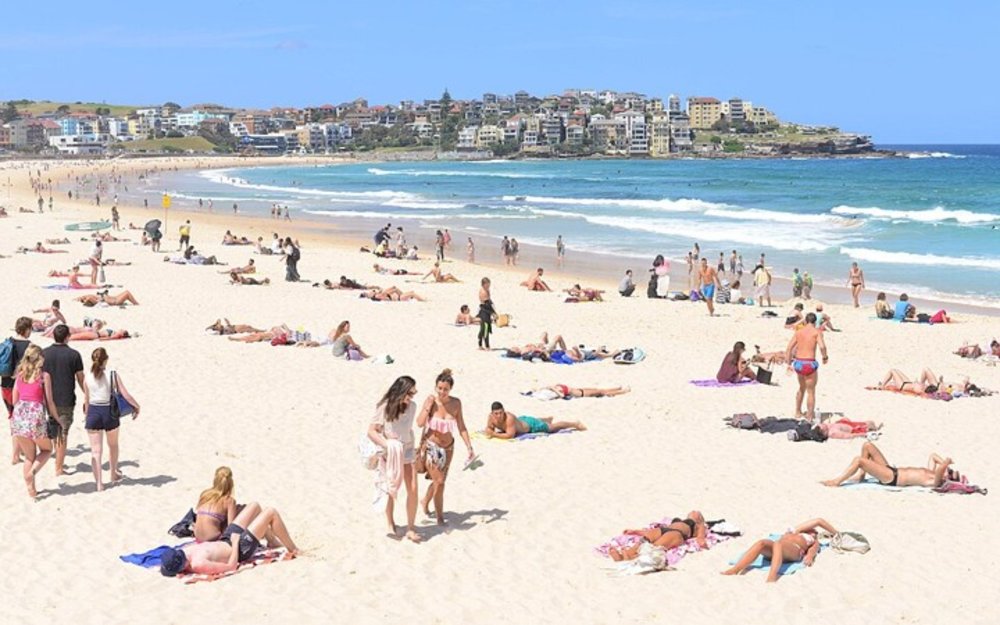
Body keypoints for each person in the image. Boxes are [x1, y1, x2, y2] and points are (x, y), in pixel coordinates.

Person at [159, 502, 299, 576]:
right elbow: (231, 567)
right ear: (182, 566)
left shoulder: (185, 552)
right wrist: (236, 541)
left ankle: (272, 541)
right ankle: (293, 549)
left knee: (254, 506)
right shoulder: (198, 564)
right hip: (239, 548)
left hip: (226, 539)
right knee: (271, 512)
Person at [416, 369, 474, 526]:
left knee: (438, 481)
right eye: (439, 388)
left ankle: (425, 501)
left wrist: (469, 446)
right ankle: (440, 517)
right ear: (436, 387)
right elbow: (420, 423)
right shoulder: (430, 401)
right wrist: (427, 407)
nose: (442, 392)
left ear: (450, 389)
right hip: (431, 447)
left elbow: (461, 425)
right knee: (440, 481)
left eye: (445, 389)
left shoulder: (456, 403)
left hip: (449, 448)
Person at [368, 376, 422, 542]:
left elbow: (409, 429)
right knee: (391, 487)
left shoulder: (412, 407)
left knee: (413, 488)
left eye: (414, 393)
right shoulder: (384, 407)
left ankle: (411, 528)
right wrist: (388, 444)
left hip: (407, 449)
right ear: (401, 391)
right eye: (410, 392)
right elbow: (371, 431)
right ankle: (391, 523)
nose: (412, 396)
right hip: (390, 452)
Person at [83, 347, 139, 490]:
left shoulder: (87, 376)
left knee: (96, 451)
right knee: (113, 445)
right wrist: (136, 406)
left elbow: (87, 399)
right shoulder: (112, 374)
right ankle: (113, 473)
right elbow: (125, 394)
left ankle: (99, 483)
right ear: (106, 359)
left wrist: (87, 415)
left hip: (94, 412)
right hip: (109, 412)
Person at [11, 345, 59, 498]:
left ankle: (31, 490)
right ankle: (32, 473)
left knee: (29, 456)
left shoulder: (20, 375)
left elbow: (14, 400)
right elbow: (50, 402)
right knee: (46, 450)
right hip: (35, 414)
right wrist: (57, 418)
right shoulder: (44, 376)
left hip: (19, 414)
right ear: (39, 358)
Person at [722, 518, 837, 583]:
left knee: (777, 544)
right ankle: (735, 569)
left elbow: (813, 550)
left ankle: (771, 577)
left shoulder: (813, 539)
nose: (814, 530)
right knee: (762, 543)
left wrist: (810, 557)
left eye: (815, 531)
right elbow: (818, 520)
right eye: (813, 529)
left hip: (794, 551)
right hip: (778, 548)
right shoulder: (796, 531)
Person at [41, 324, 85, 476]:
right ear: (68, 337)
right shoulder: (74, 355)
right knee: (62, 433)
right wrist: (87, 395)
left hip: (47, 398)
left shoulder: (44, 353)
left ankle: (57, 462)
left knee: (55, 429)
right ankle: (59, 468)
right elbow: (80, 379)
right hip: (66, 399)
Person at [822, 442, 957, 488]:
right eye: (950, 470)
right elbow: (933, 456)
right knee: (867, 445)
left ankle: (836, 481)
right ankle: (861, 475)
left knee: (859, 461)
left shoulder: (935, 481)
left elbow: (940, 470)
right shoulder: (931, 472)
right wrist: (947, 464)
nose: (948, 471)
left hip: (892, 478)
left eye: (950, 473)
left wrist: (945, 464)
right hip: (891, 470)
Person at [607, 511, 708, 562]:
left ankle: (632, 557)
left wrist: (701, 542)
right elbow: (648, 531)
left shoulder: (699, 525)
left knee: (652, 547)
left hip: (678, 534)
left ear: (699, 518)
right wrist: (636, 531)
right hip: (664, 530)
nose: (694, 511)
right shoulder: (679, 520)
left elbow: (700, 537)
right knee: (645, 539)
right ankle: (625, 555)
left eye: (697, 513)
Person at [785, 313, 829, 422]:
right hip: (810, 363)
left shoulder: (799, 332)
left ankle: (798, 412)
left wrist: (789, 364)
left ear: (805, 321)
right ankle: (809, 415)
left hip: (799, 363)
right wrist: (825, 357)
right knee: (811, 391)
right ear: (815, 322)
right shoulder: (816, 332)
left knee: (801, 388)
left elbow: (789, 348)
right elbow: (822, 346)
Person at [3, 317, 33, 464]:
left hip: (5, 385)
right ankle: (16, 455)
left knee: (12, 416)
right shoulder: (29, 346)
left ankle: (17, 451)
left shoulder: (7, 342)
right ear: (26, 329)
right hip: (20, 387)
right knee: (19, 420)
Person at [484, 401, 585, 439]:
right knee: (536, 421)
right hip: (521, 420)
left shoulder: (509, 418)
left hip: (530, 426)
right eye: (496, 414)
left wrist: (493, 434)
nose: (499, 416)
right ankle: (547, 419)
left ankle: (575, 424)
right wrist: (489, 429)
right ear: (492, 413)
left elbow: (510, 435)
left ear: (504, 411)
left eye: (501, 413)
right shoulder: (491, 417)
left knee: (552, 428)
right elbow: (489, 428)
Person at [194, 466, 237, 542]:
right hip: (213, 539)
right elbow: (231, 528)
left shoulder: (204, 494)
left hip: (198, 537)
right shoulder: (229, 501)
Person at [875, 367, 975, 396]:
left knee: (892, 370)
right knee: (895, 370)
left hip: (903, 385)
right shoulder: (922, 387)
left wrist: (919, 383)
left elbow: (946, 391)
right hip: (909, 383)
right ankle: (883, 384)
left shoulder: (920, 389)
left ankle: (882, 386)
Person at [524, 384, 631, 399]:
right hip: (581, 394)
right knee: (602, 393)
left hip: (579, 389)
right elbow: (561, 395)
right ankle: (623, 392)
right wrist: (554, 389)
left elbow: (536, 388)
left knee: (600, 390)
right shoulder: (549, 393)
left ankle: (617, 388)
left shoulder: (543, 390)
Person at [478, 277, 495, 350]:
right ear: (484, 284)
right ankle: (487, 346)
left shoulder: (486, 290)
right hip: (484, 311)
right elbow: (486, 304)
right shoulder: (483, 292)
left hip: (485, 310)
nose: (489, 286)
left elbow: (489, 301)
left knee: (483, 329)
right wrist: (493, 313)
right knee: (485, 329)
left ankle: (480, 345)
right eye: (488, 284)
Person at [76, 290, 140, 307]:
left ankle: (136, 303)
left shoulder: (92, 297)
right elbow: (89, 297)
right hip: (116, 301)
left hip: (115, 297)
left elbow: (87, 296)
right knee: (127, 293)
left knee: (126, 292)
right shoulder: (96, 300)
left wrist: (79, 298)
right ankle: (136, 303)